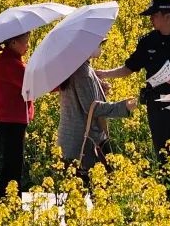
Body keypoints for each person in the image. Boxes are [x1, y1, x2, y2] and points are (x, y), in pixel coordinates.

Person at [97, 0, 170, 161]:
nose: (151, 19)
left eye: (154, 15)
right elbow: (129, 68)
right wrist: (103, 73)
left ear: (167, 16)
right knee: (162, 153)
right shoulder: (147, 41)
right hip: (156, 106)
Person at [57, 38, 137, 178]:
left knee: (76, 194)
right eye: (99, 44)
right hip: (85, 144)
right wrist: (124, 106)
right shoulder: (83, 72)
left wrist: (99, 90)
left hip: (70, 142)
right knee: (100, 191)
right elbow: (92, 108)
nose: (101, 47)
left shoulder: (74, 67)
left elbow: (83, 99)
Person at [0, 33, 34, 199]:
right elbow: (32, 83)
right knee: (13, 166)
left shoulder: (9, 60)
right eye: (26, 42)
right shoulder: (9, 63)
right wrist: (64, 84)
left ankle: (8, 202)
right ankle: (9, 203)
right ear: (13, 42)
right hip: (11, 120)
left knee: (12, 164)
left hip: (10, 119)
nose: (28, 46)